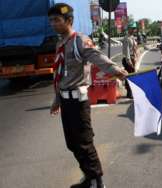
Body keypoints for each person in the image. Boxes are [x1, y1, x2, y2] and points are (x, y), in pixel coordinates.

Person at [48, 3, 128, 188]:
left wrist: (117, 71)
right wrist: (56, 99)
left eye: (57, 20)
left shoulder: (79, 41)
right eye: (51, 21)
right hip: (66, 100)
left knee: (84, 143)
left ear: (69, 20)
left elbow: (97, 57)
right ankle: (88, 177)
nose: (53, 24)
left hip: (78, 101)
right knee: (72, 143)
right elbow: (61, 75)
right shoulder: (60, 43)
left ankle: (97, 182)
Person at [122, 23, 138, 98]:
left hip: (132, 58)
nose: (134, 30)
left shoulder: (132, 37)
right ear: (129, 29)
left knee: (132, 76)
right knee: (130, 76)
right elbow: (127, 51)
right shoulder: (126, 38)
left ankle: (131, 91)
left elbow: (134, 48)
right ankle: (129, 92)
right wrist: (129, 61)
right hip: (128, 59)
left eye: (134, 28)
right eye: (133, 28)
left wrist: (136, 57)